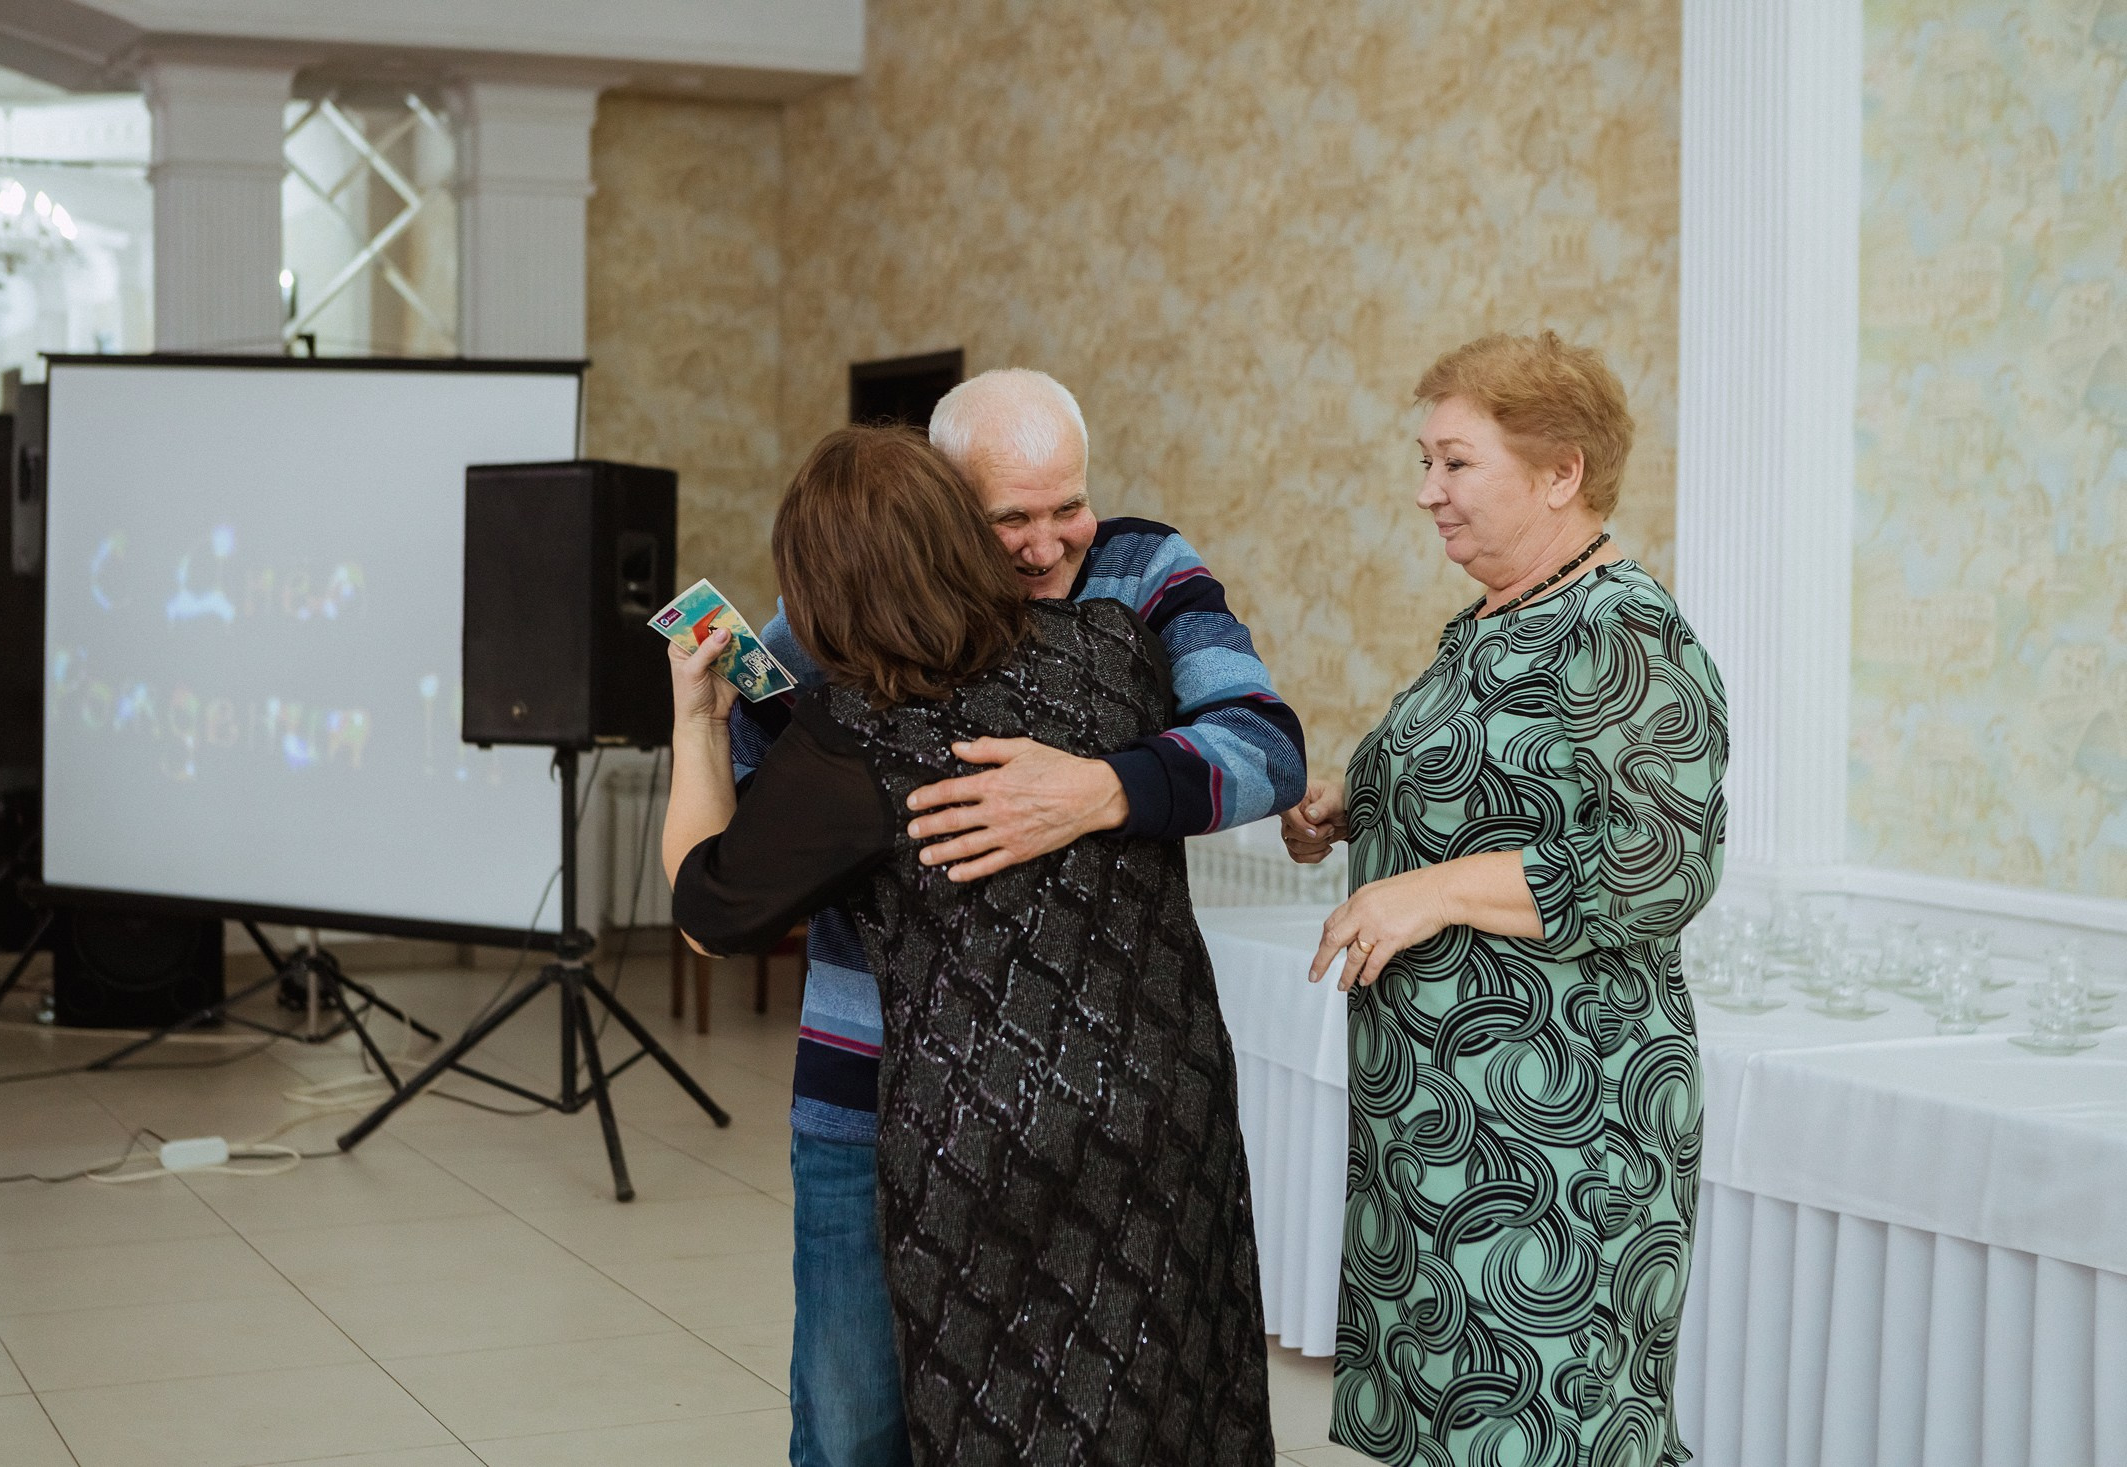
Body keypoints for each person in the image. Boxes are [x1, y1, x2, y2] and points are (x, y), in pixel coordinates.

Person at [728, 369, 1307, 1467]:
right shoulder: (836, 609)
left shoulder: (1145, 570)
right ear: (938, 505)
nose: (1048, 547)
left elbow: (1265, 748)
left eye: (1066, 508)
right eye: (1010, 520)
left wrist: (1098, 788)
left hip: (1099, 1079)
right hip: (871, 1074)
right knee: (854, 1419)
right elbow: (757, 792)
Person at [1280, 332, 1726, 1467]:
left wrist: (1430, 889)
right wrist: (1349, 803)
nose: (1426, 493)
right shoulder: (1487, 623)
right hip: (1444, 1122)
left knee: (1553, 1417)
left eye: (1455, 463)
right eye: (1424, 463)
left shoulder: (1622, 627)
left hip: (1559, 1124)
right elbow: (1484, 787)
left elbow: (1659, 865)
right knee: (1462, 1416)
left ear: (1560, 472)